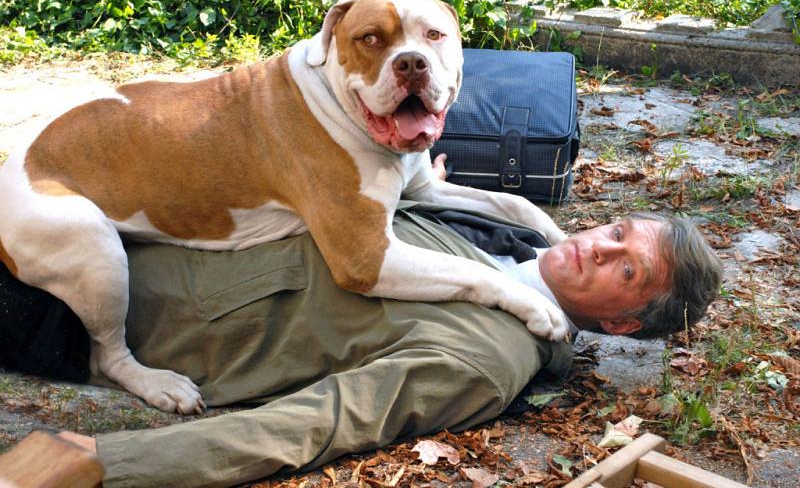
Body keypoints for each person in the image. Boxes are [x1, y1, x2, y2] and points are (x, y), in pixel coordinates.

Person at [0, 192, 722, 487]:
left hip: (91, 310)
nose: (599, 246)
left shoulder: (490, 354)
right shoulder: (519, 232)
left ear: (622, 323)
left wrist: (101, 460)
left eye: (627, 268)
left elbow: (320, 422)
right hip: (114, 217)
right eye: (618, 230)